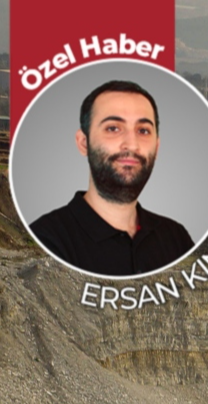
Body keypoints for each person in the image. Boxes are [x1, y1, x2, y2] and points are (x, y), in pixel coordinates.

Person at [28, 79, 195, 276]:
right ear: (84, 143)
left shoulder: (176, 239)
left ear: (156, 148)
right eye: (113, 128)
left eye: (143, 131)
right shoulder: (45, 240)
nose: (131, 145)